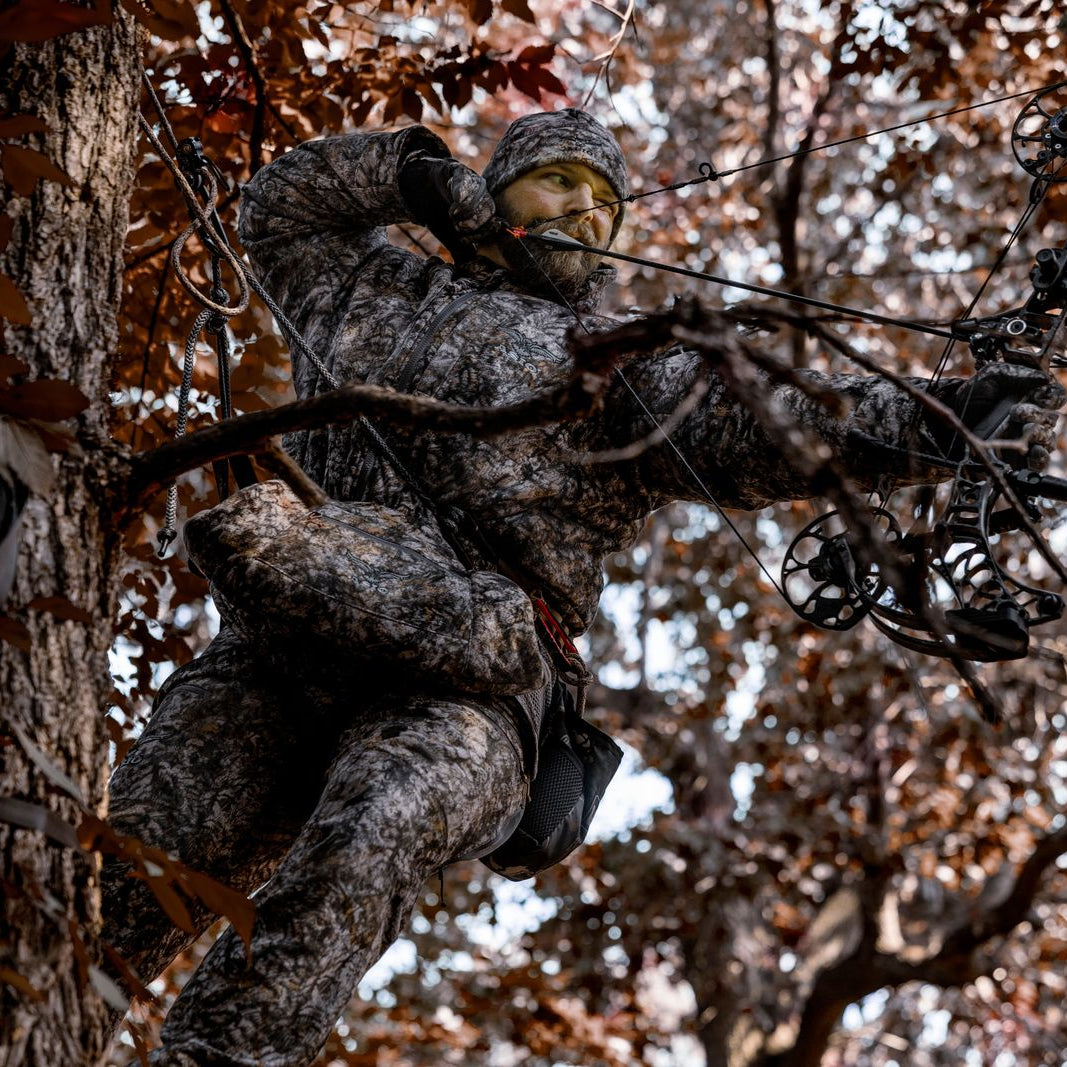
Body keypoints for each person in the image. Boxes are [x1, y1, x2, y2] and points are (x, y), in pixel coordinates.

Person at [102, 109, 1063, 1066]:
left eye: (607, 202)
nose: (587, 212)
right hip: (282, 645)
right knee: (129, 867)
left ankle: (216, 1058)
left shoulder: (615, 362)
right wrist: (412, 175)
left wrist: (953, 419)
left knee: (384, 816)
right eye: (561, 180)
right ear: (496, 187)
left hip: (472, 684)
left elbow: (763, 421)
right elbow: (280, 206)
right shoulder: (365, 284)